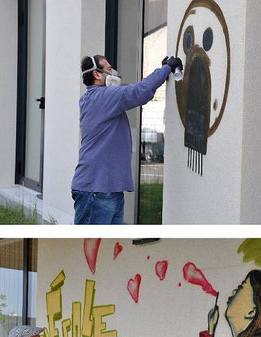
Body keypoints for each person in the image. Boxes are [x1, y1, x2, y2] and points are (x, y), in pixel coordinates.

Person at [71, 55, 183, 224]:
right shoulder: (102, 97)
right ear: (97, 74)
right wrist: (167, 68)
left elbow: (138, 91)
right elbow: (139, 91)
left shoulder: (93, 99)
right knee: (91, 249)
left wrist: (161, 73)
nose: (113, 72)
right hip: (97, 191)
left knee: (106, 249)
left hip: (106, 189)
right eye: (109, 69)